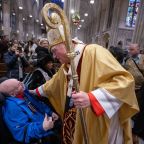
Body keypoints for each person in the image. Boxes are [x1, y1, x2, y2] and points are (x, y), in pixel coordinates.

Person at [32, 23, 139, 144]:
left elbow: (125, 81)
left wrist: (92, 98)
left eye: (54, 51)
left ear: (66, 44)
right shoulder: (67, 64)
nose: (54, 56)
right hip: (77, 122)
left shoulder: (94, 51)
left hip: (100, 121)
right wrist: (33, 91)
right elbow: (54, 83)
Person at [0, 78, 61, 144]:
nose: (22, 83)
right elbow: (22, 134)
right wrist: (43, 127)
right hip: (41, 137)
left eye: (19, 81)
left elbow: (38, 104)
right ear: (13, 94)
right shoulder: (12, 108)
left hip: (48, 128)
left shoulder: (24, 93)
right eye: (18, 85)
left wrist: (50, 112)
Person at [124, 43, 144, 143]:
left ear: (138, 49)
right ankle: (130, 127)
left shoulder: (143, 59)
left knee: (139, 110)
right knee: (131, 108)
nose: (130, 51)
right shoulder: (128, 60)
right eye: (129, 49)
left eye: (132, 49)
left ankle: (136, 131)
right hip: (131, 89)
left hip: (141, 90)